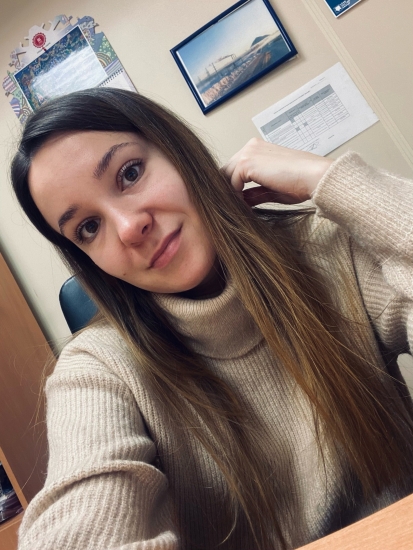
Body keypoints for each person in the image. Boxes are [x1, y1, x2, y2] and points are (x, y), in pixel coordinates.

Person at [11, 88, 413, 550]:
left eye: (130, 173)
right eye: (88, 227)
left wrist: (333, 181)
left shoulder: (329, 251)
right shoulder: (99, 369)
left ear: (178, 151)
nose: (128, 227)